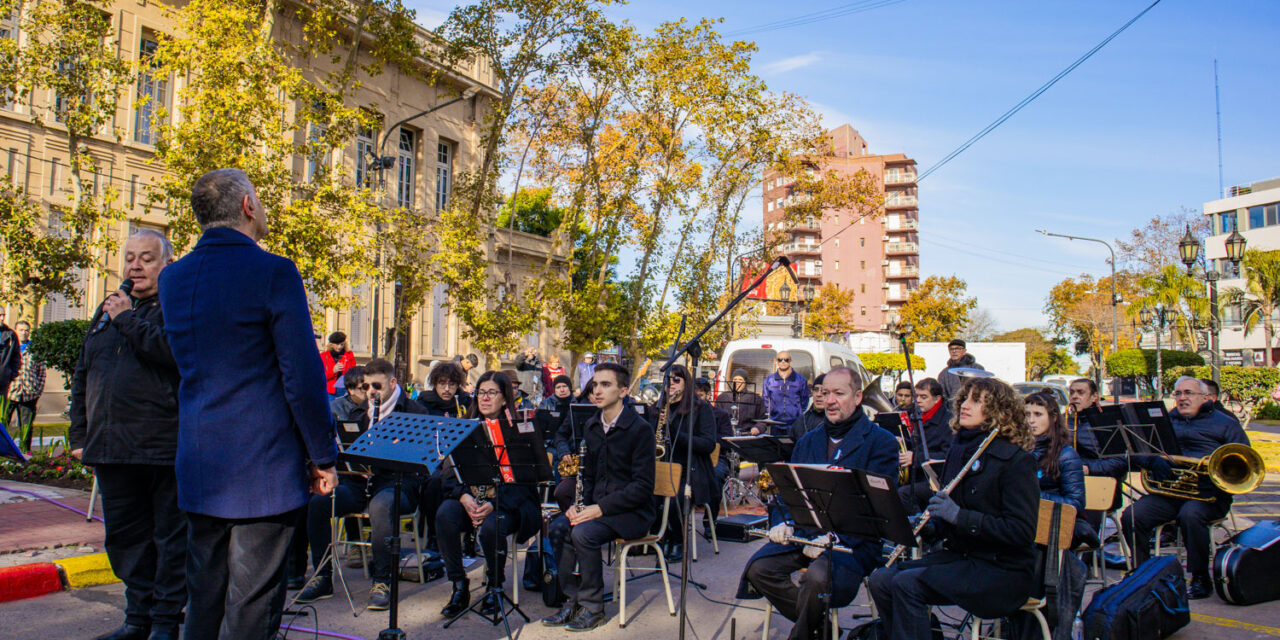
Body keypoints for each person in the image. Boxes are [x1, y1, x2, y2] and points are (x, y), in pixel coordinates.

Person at [158, 168, 338, 640]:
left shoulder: (173, 278)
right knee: (252, 607)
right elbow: (301, 374)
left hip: (200, 461)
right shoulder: (273, 271)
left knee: (205, 598)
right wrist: (322, 455)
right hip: (262, 466)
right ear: (247, 207)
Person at [68, 230, 185, 640]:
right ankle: (137, 618)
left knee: (169, 543)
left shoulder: (176, 307)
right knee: (125, 540)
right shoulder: (107, 311)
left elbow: (173, 356)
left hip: (161, 447)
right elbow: (84, 372)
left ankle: (166, 623)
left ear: (167, 264)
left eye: (147, 258)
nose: (135, 266)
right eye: (130, 257)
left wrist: (126, 319)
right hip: (111, 447)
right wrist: (79, 434)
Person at [869, 377, 1039, 640]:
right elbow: (949, 526)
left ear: (998, 410)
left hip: (1002, 569)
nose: (965, 405)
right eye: (964, 398)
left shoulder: (1016, 461)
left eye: (977, 400)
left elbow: (1021, 532)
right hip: (963, 559)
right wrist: (930, 526)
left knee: (906, 584)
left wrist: (959, 516)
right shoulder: (960, 450)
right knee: (881, 579)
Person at [739, 367, 899, 640]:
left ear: (858, 397)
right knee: (758, 569)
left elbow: (876, 509)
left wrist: (833, 537)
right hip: (806, 536)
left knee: (816, 577)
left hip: (852, 544)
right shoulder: (809, 440)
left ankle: (803, 634)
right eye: (825, 393)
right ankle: (820, 627)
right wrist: (782, 522)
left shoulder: (881, 442)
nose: (830, 400)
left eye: (839, 393)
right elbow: (787, 493)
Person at [296, 358, 426, 608]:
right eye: (366, 387)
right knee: (319, 503)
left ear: (392, 382)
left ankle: (382, 580)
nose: (371, 392)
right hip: (360, 483)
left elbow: (422, 461)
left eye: (376, 386)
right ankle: (323, 577)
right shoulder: (358, 412)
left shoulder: (414, 411)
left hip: (397, 483)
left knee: (381, 506)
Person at [541, 363, 655, 632]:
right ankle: (574, 599)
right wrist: (577, 507)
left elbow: (642, 487)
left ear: (624, 391)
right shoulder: (592, 426)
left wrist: (598, 509)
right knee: (558, 528)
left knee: (584, 534)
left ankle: (593, 608)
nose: (597, 390)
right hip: (599, 508)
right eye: (595, 384)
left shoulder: (639, 430)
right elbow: (588, 477)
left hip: (633, 513)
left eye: (606, 384)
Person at [1121, 376, 1251, 599]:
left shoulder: (1225, 423)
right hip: (1171, 493)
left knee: (1190, 515)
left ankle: (1200, 578)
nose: (1182, 398)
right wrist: (1152, 460)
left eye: (1188, 393)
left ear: (1204, 397)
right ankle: (1142, 573)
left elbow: (1244, 460)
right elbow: (1137, 450)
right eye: (1178, 393)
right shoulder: (1163, 421)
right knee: (1133, 516)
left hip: (1209, 496)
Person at [436, 371, 542, 619]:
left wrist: (494, 505)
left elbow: (525, 482)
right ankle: (459, 585)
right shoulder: (463, 428)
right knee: (445, 516)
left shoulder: (521, 430)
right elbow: (448, 474)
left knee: (493, 527)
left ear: (505, 398)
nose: (484, 398)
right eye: (481, 392)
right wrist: (463, 497)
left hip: (510, 504)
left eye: (492, 393)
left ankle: (495, 586)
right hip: (471, 499)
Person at [656, 364, 718, 562]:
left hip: (691, 471)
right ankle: (656, 538)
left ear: (686, 383)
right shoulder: (659, 408)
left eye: (676, 380)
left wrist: (677, 436)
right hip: (663, 467)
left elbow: (708, 444)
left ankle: (677, 541)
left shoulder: (701, 409)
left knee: (675, 497)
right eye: (668, 380)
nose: (671, 384)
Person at [1025, 391, 1093, 545]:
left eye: (1038, 414)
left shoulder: (1066, 454)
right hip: (1027, 517)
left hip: (1055, 524)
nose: (1031, 420)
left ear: (1053, 418)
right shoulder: (1020, 447)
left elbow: (1075, 503)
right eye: (1027, 414)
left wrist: (1032, 495)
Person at [897, 378, 953, 514]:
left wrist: (915, 458)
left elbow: (948, 457)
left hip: (936, 480)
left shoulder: (948, 422)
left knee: (904, 493)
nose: (918, 401)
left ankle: (916, 527)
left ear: (937, 399)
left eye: (924, 397)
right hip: (918, 475)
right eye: (917, 397)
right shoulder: (917, 415)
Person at [696, 379, 733, 518]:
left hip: (717, 459)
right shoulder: (687, 414)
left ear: (708, 395)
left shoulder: (721, 415)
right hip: (693, 458)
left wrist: (707, 439)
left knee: (715, 476)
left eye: (699, 396)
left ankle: (709, 521)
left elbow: (727, 441)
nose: (697, 400)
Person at [7, 320, 46, 452]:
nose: (24, 333)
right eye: (21, 330)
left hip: (29, 394)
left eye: (26, 330)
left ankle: (25, 454)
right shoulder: (9, 347)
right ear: (15, 331)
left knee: (26, 428)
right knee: (4, 424)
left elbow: (41, 372)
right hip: (10, 393)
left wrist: (37, 390)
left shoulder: (34, 349)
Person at [762, 351, 809, 431]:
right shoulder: (769, 380)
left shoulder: (800, 380)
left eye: (786, 359)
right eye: (780, 360)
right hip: (775, 423)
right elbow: (765, 399)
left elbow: (804, 400)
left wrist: (797, 412)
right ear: (776, 362)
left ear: (791, 362)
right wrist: (772, 412)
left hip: (795, 424)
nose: (783, 362)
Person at [715, 368, 767, 435]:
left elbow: (763, 420)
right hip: (727, 434)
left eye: (740, 380)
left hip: (748, 434)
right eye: (735, 380)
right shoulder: (723, 397)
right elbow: (716, 418)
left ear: (745, 382)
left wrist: (758, 428)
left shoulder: (756, 398)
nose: (737, 382)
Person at [788, 374, 827, 441]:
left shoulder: (835, 422)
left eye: (824, 391)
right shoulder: (802, 420)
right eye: (816, 390)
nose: (818, 394)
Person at [319, 332, 356, 400]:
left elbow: (353, 372)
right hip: (330, 391)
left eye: (342, 344)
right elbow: (320, 377)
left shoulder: (349, 355)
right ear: (331, 344)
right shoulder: (324, 356)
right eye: (337, 344)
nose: (339, 347)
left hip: (345, 389)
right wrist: (333, 371)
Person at [0, 307, 22, 399]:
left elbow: (16, 357)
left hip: (2, 381)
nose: (2, 318)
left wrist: (9, 374)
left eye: (3, 315)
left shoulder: (10, 335)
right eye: (0, 315)